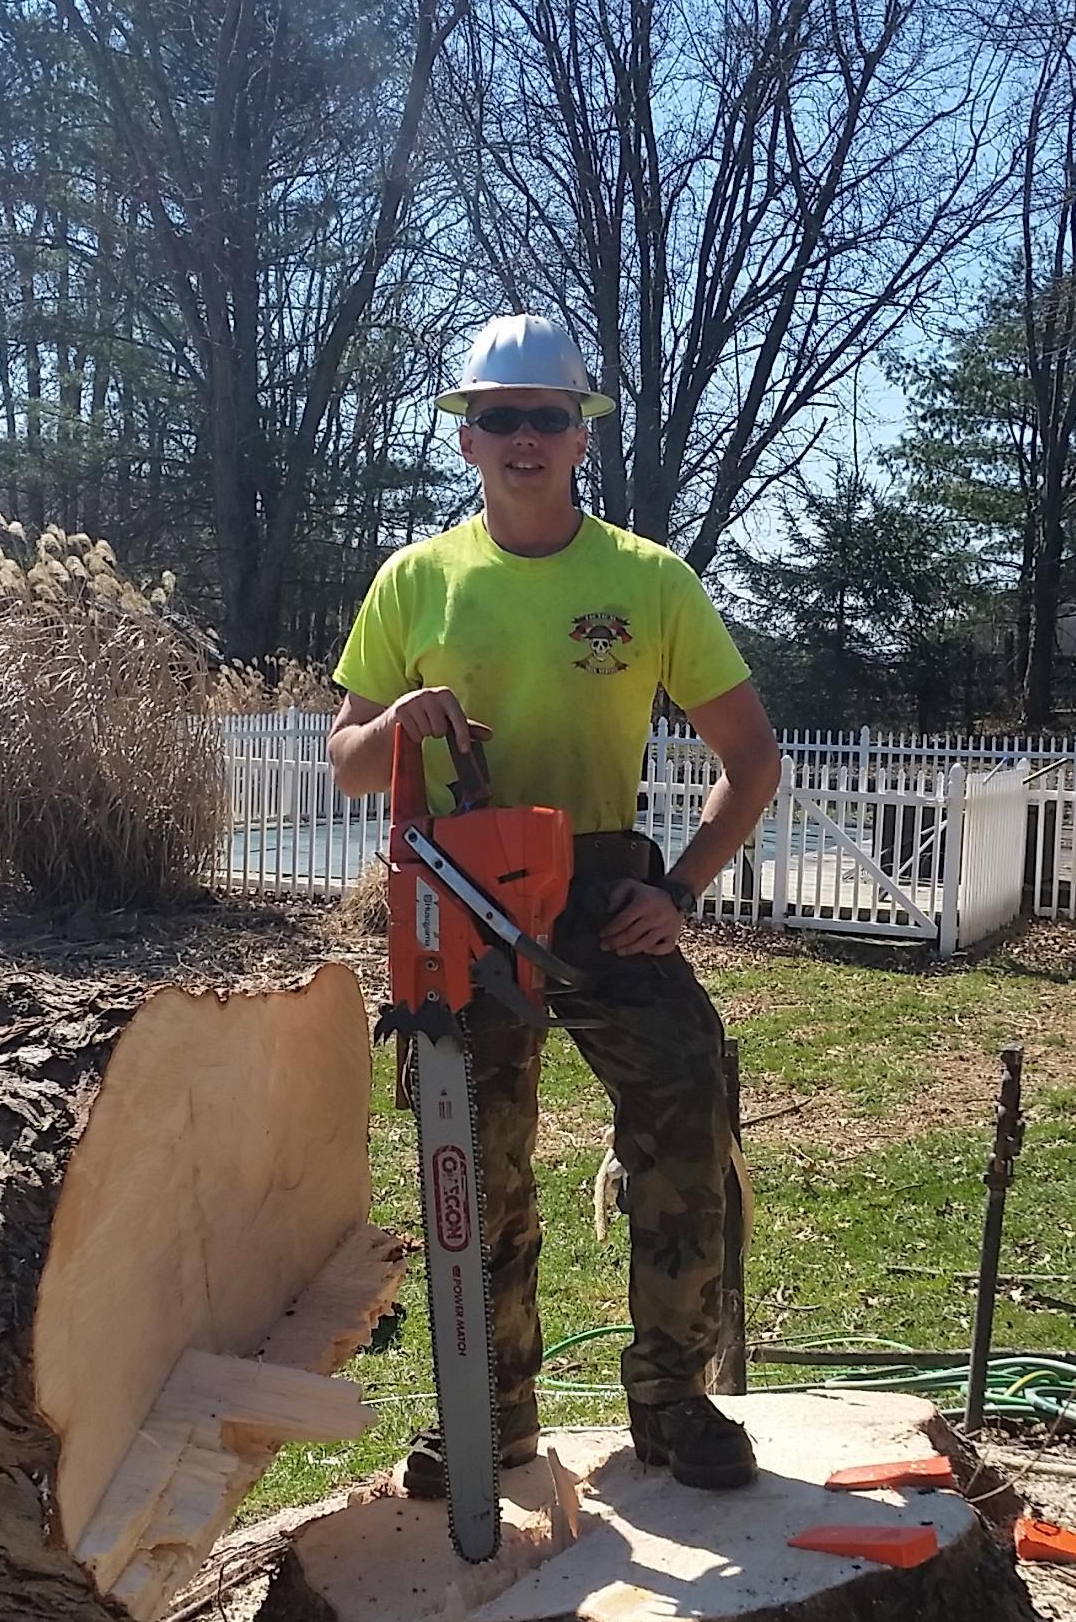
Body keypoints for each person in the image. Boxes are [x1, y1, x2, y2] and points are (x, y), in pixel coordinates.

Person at [329, 313, 782, 1494]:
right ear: (465, 438)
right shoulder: (415, 580)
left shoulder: (646, 580)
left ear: (582, 434)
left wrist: (679, 889)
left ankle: (674, 1406)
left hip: (600, 887)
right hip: (461, 901)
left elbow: (752, 758)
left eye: (547, 416)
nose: (524, 437)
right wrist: (397, 725)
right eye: (499, 417)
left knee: (685, 1116)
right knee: (473, 1162)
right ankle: (491, 1417)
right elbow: (343, 761)